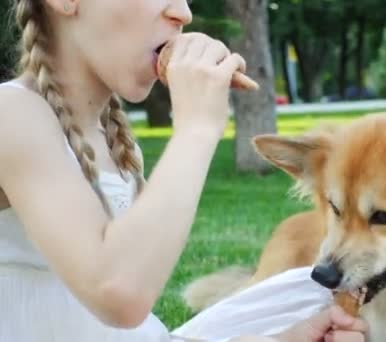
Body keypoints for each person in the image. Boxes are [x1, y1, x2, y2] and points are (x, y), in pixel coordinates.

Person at [0, 0, 367, 341]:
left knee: (310, 290)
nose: (183, 13)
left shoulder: (113, 143)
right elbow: (118, 294)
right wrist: (197, 125)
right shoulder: (12, 113)